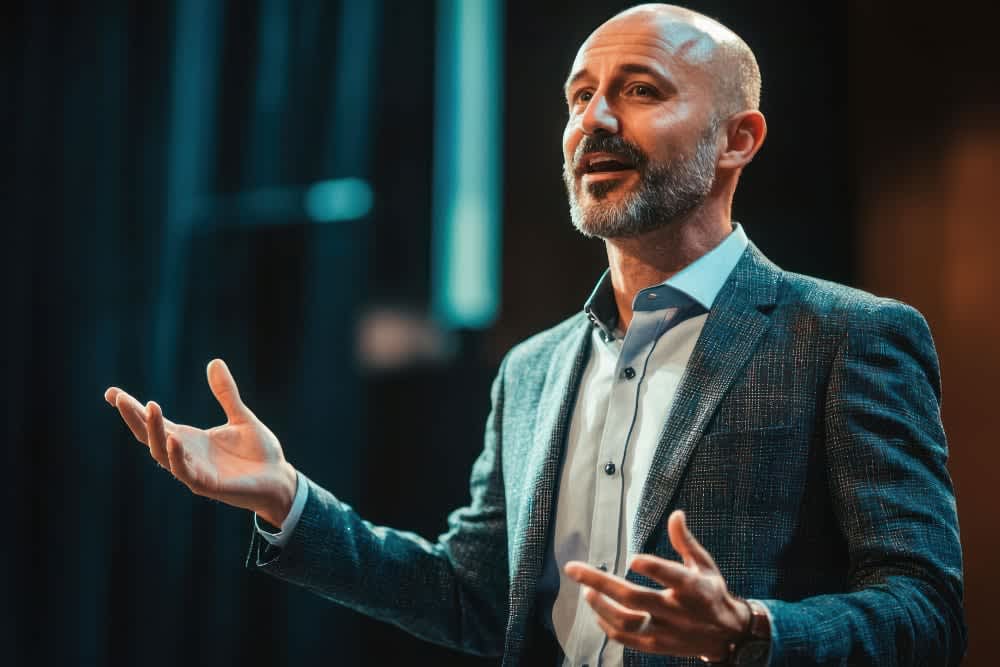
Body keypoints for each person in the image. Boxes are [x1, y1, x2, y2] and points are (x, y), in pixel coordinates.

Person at [105, 4, 966, 665]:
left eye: (639, 90)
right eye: (579, 95)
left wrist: (752, 630)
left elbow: (926, 608)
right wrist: (288, 500)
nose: (592, 121)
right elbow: (474, 595)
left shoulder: (850, 336)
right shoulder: (532, 369)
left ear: (738, 139)